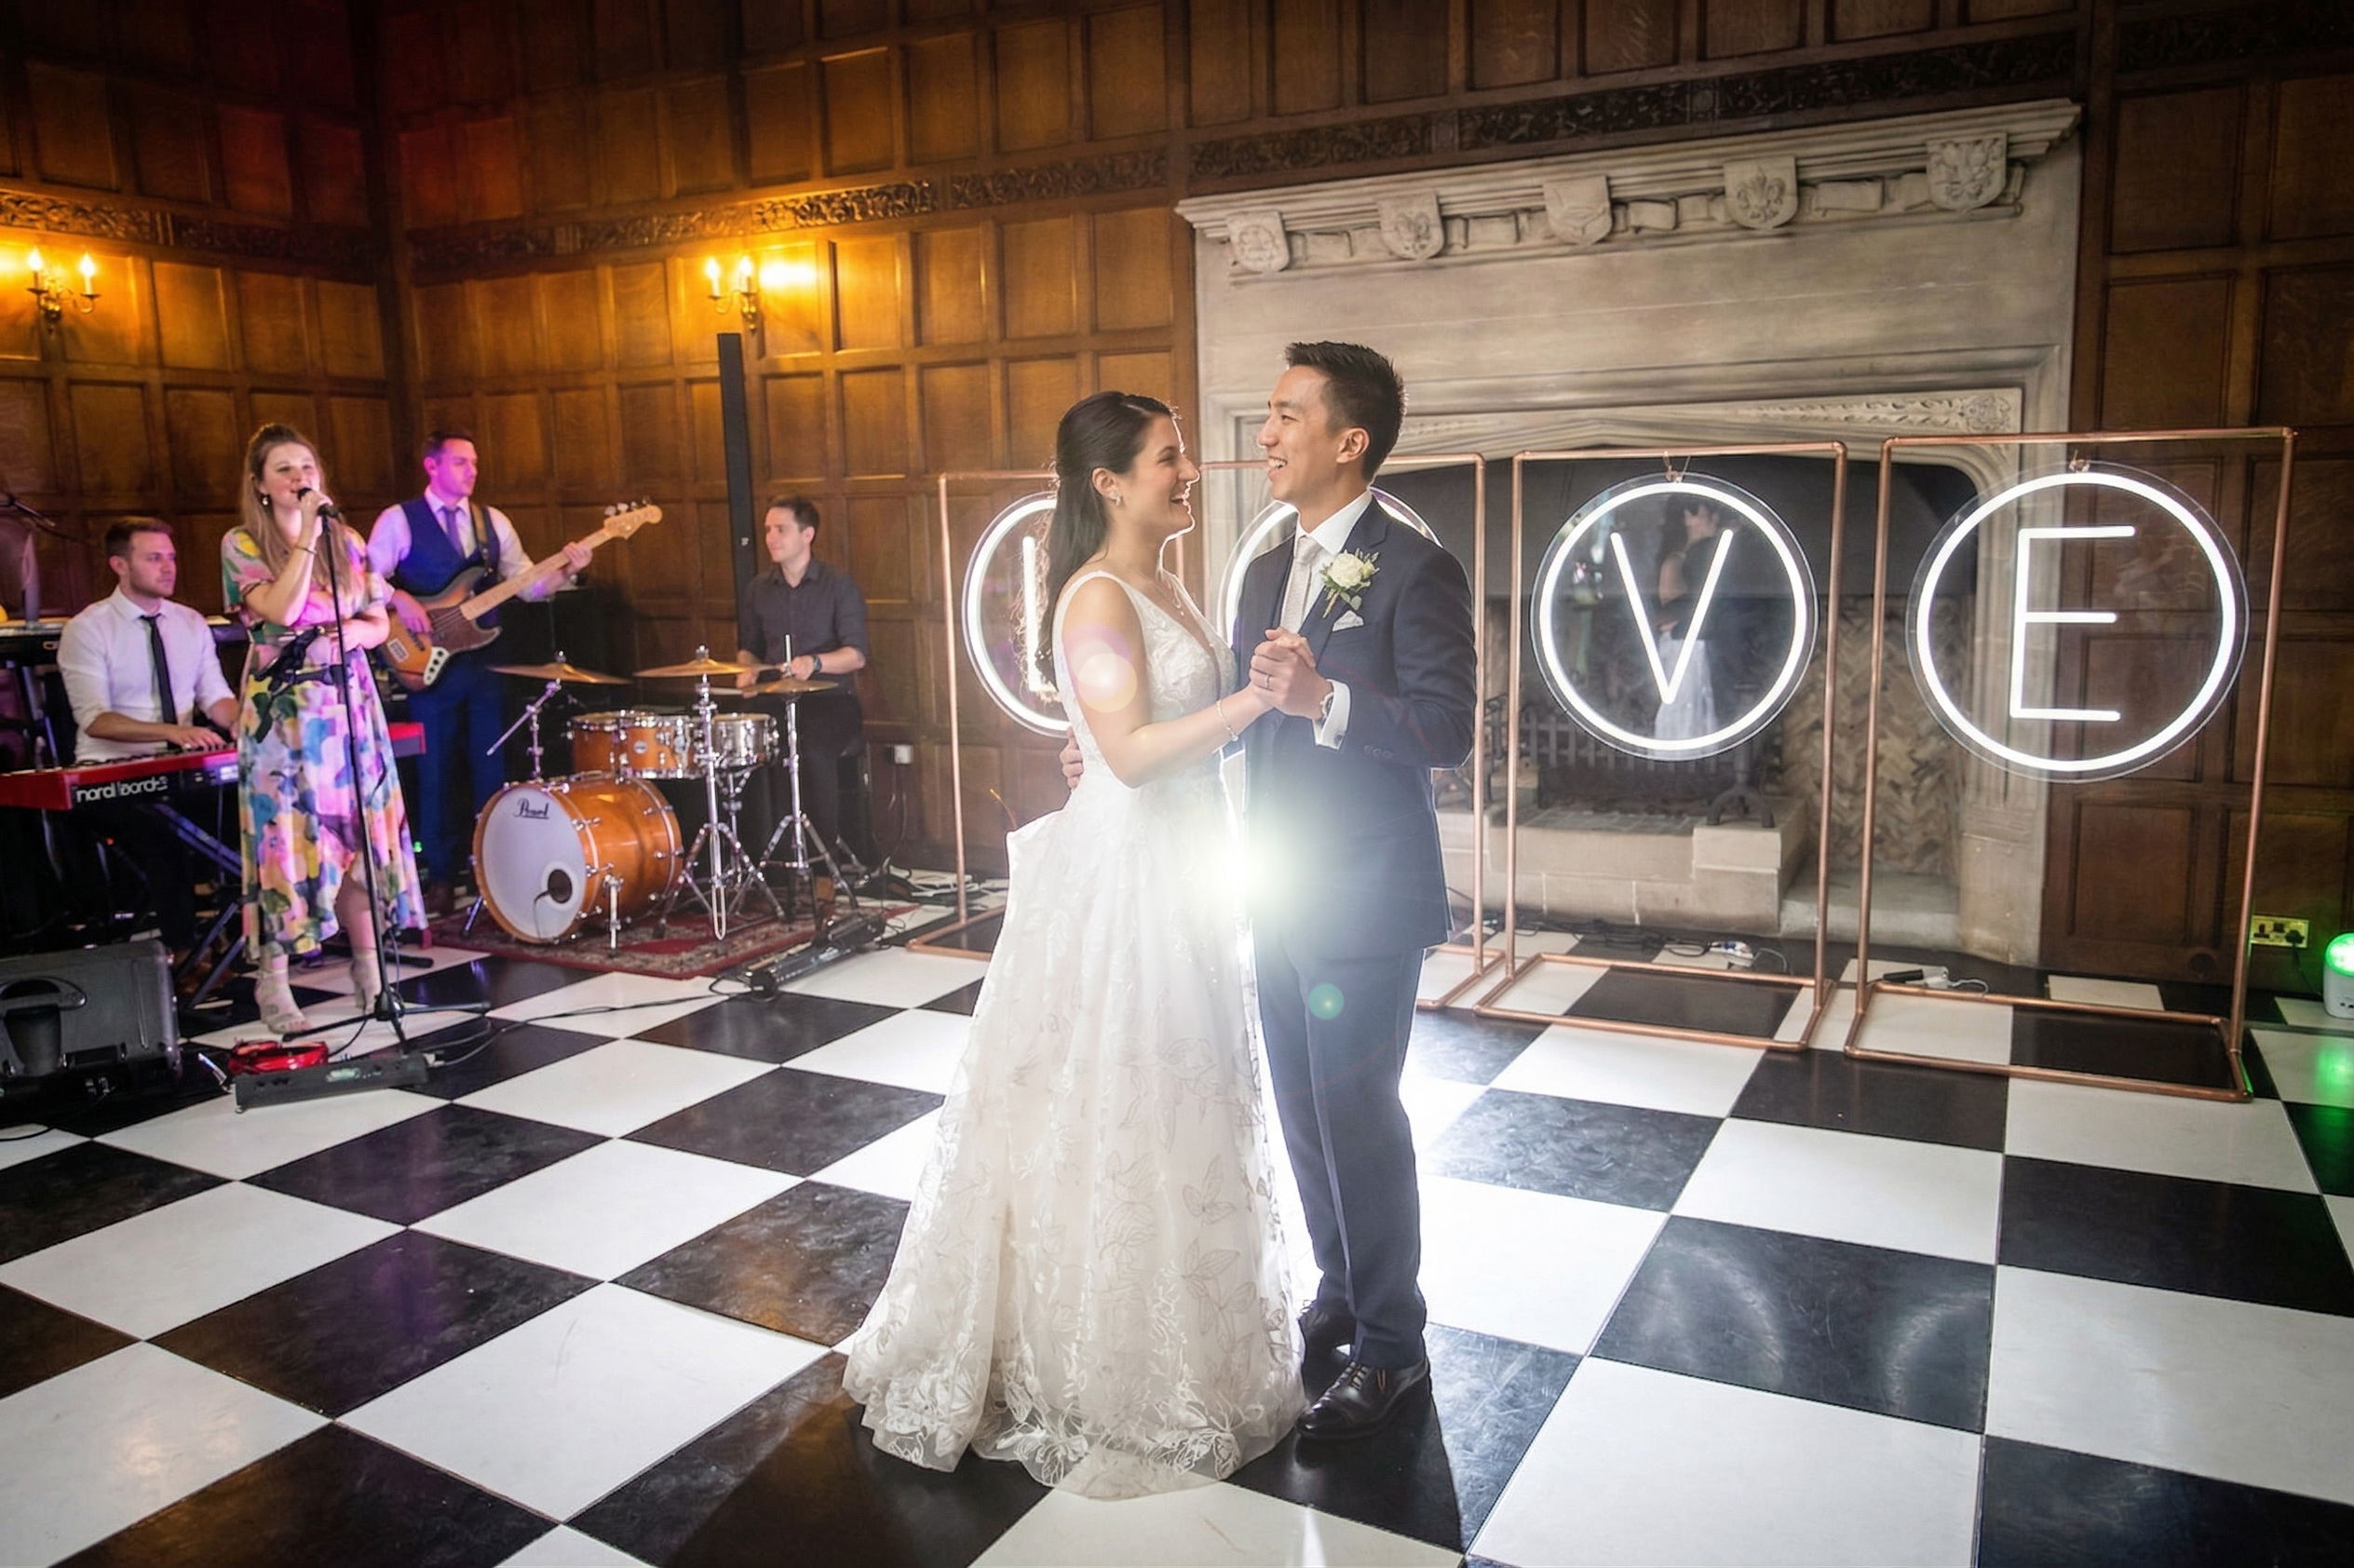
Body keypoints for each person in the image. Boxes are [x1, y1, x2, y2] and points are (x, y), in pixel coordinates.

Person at [843, 392, 1301, 1498]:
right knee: (1122, 1093)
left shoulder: (1164, 581)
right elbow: (1132, 756)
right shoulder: (1095, 596)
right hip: (1128, 879)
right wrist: (1255, 702)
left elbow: (1122, 738)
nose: (1188, 471)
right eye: (1167, 457)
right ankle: (1102, 1355)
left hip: (1182, 864)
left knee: (1178, 1091)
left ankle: (1185, 1329)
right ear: (1107, 482)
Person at [1232, 341, 1478, 1438]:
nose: (1265, 434)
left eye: (1287, 414)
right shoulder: (1262, 568)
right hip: (1274, 883)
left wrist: (1325, 698)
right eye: (1266, 413)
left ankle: (1392, 1348)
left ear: (1349, 440)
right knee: (1301, 1109)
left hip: (1367, 897)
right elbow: (1240, 711)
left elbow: (1447, 730)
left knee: (1358, 1115)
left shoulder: (1415, 567)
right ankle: (1338, 1287)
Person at [224, 425, 426, 1034]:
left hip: (348, 710)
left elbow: (378, 614)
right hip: (283, 719)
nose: (299, 477)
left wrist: (365, 630)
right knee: (284, 844)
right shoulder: (242, 544)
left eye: (306, 466)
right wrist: (309, 537)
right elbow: (283, 610)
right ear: (261, 485)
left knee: (357, 839)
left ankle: (370, 970)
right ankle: (274, 980)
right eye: (284, 469)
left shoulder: (349, 541)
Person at [368, 428, 588, 916]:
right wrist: (399, 597)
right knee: (435, 771)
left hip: (486, 663)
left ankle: (492, 871)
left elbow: (528, 587)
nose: (472, 471)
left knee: (492, 767)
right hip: (427, 665)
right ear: (432, 466)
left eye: (474, 462)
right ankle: (441, 876)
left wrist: (566, 569)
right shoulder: (399, 520)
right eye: (461, 462)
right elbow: (365, 577)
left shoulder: (493, 523)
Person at [54, 519, 239, 960]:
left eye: (171, 557)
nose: (168, 567)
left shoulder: (190, 623)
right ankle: (184, 955)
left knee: (252, 809)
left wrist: (244, 725)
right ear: (119, 565)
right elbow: (95, 719)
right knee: (163, 833)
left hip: (183, 769)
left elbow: (216, 697)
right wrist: (173, 732)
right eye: (154, 558)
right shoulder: (88, 628)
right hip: (110, 776)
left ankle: (251, 938)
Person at [733, 496, 869, 867]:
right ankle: (763, 861)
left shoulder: (838, 585)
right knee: (742, 748)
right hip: (773, 697)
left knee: (810, 750)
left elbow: (856, 655)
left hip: (830, 701)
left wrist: (815, 662)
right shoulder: (759, 589)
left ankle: (820, 864)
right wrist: (747, 669)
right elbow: (749, 649)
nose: (771, 538)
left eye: (781, 529)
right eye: (768, 530)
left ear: (807, 535)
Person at [1651, 500, 1725, 742]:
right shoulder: (1677, 562)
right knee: (1683, 708)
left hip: (1696, 647)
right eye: (1707, 514)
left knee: (1696, 707)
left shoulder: (1703, 560)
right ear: (1688, 517)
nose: (1714, 521)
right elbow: (1672, 612)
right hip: (1682, 648)